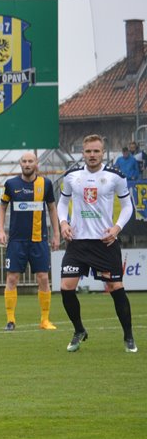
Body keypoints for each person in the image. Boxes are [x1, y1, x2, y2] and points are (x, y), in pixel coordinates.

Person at [57, 134, 137, 353]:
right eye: (88, 151)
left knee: (115, 288)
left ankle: (128, 336)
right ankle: (79, 330)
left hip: (105, 242)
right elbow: (62, 203)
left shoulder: (115, 176)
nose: (92, 155)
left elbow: (128, 207)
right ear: (82, 153)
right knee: (66, 287)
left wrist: (116, 228)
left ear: (103, 153)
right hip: (77, 242)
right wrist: (63, 223)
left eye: (96, 151)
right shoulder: (72, 176)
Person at [0, 152, 59, 330]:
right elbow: (2, 208)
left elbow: (52, 209)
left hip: (39, 239)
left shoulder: (46, 184)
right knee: (12, 278)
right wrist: (0, 230)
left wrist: (56, 234)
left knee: (43, 278)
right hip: (17, 241)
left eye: (30, 161)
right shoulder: (11, 184)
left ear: (36, 163)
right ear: (20, 164)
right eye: (24, 161)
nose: (27, 164)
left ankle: (45, 320)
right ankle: (10, 320)